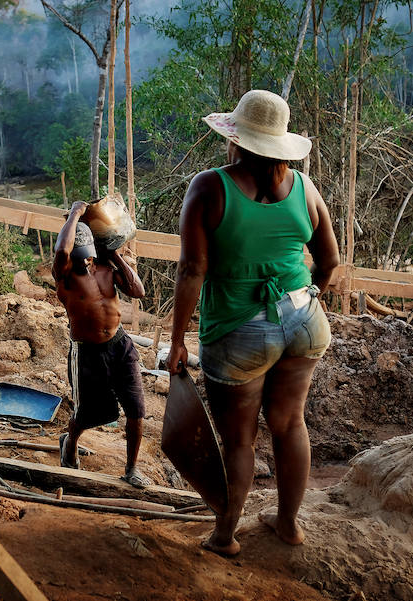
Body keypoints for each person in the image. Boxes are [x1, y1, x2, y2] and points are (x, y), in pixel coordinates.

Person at [166, 90, 339, 555]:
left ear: (236, 140)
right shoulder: (305, 188)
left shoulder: (209, 187)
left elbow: (192, 271)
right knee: (290, 424)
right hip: (305, 319)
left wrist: (178, 340)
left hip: (238, 332)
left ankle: (225, 535)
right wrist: (310, 296)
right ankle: (288, 525)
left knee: (239, 440)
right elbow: (330, 260)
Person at [53, 201, 152, 488]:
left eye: (90, 257)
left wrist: (114, 254)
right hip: (87, 352)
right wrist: (75, 213)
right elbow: (62, 250)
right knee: (89, 413)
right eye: (80, 256)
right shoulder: (65, 275)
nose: (86, 262)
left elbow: (138, 291)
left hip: (120, 345)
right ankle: (69, 443)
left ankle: (131, 468)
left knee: (136, 410)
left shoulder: (105, 267)